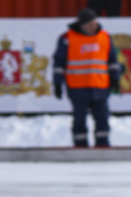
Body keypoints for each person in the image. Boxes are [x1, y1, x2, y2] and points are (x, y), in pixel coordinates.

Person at [52, 8, 122, 148]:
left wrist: (115, 79)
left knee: (102, 118)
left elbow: (113, 60)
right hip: (78, 87)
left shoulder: (105, 37)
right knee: (79, 119)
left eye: (95, 23)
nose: (94, 26)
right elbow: (59, 62)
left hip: (100, 86)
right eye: (90, 24)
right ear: (82, 25)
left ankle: (103, 145)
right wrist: (57, 83)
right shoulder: (67, 38)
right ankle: (80, 145)